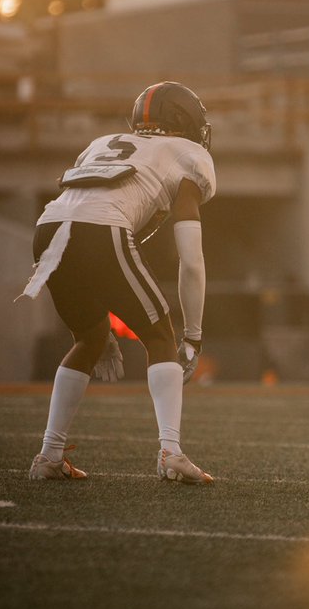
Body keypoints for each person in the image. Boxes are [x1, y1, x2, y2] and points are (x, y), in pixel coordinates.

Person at [21, 81, 216, 484]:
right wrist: (193, 335)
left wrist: (101, 308)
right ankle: (170, 452)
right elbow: (191, 259)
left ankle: (49, 455)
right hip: (102, 231)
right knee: (161, 334)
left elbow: (88, 210)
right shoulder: (188, 155)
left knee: (90, 338)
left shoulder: (102, 142)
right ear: (186, 120)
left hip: (48, 230)